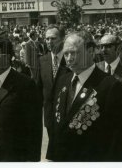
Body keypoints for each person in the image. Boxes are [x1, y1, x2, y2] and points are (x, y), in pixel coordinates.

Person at [48, 30, 122, 161]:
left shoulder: (110, 86)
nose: (69, 58)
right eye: (66, 54)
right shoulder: (62, 80)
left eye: (73, 53)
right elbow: (56, 124)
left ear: (91, 51)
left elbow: (119, 139)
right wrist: (51, 156)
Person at [0, 36, 43, 162]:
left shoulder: (25, 85)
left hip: (12, 157)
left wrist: (32, 161)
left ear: (7, 57)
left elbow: (34, 129)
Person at [96, 34, 122, 161]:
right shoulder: (96, 68)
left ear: (118, 48)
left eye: (108, 46)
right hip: (99, 132)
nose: (103, 50)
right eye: (101, 46)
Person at [36, 24, 71, 160]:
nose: (49, 42)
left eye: (53, 38)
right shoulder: (42, 60)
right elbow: (38, 89)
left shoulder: (71, 59)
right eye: (47, 39)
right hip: (50, 114)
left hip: (68, 113)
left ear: (62, 39)